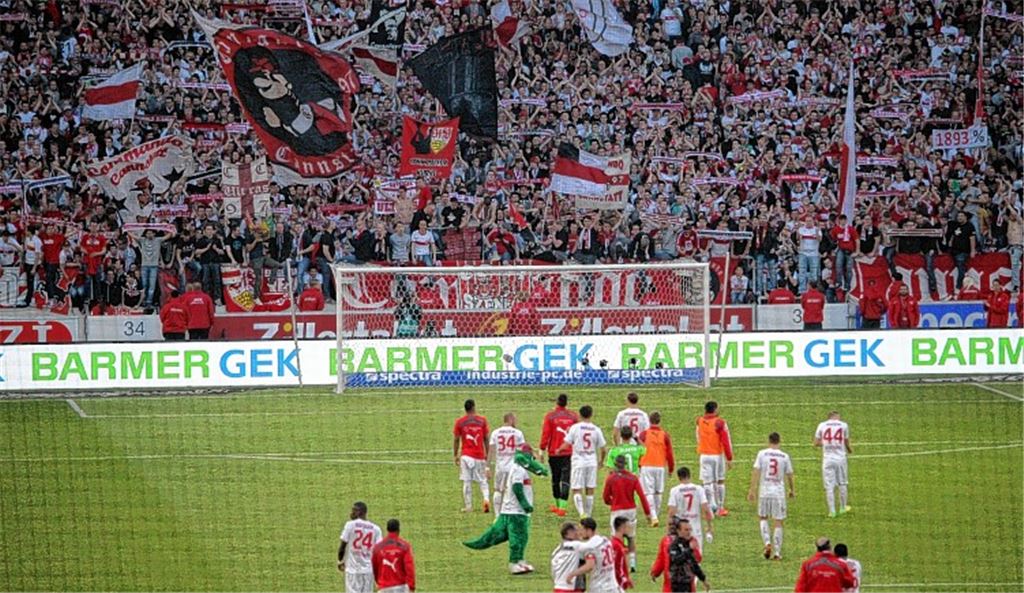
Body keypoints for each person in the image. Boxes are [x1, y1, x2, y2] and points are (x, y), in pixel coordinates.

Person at [463, 445, 549, 574]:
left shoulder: (519, 468)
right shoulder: (518, 470)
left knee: (520, 537)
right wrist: (525, 504)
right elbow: (517, 488)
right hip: (515, 511)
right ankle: (514, 563)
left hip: (513, 510)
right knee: (517, 537)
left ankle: (520, 560)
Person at [747, 432, 795, 561]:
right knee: (778, 521)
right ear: (779, 441)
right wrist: (791, 489)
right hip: (778, 493)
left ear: (769, 441)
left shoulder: (762, 454)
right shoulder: (784, 456)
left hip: (764, 491)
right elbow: (790, 474)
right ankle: (777, 553)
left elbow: (756, 471)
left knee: (763, 517)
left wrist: (752, 490)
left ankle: (767, 543)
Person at [602, 454, 652, 573]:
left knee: (616, 537)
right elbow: (641, 496)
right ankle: (633, 563)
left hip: (617, 510)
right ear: (625, 465)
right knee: (630, 537)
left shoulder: (611, 478)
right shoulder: (633, 478)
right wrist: (647, 513)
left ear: (615, 464)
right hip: (630, 509)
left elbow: (605, 497)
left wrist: (612, 502)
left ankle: (616, 562)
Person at [557, 405, 608, 519]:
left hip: (578, 461)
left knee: (576, 488)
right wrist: (601, 461)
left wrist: (559, 449)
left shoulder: (575, 428)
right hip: (591, 461)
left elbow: (566, 444)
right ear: (591, 414)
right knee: (590, 489)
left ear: (579, 415)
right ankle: (588, 515)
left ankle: (582, 514)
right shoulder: (596, 429)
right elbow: (604, 449)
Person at [540, 393, 579, 517]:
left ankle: (558, 506)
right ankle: (562, 507)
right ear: (566, 403)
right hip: (569, 452)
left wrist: (542, 449)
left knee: (555, 479)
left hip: (554, 452)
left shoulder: (550, 416)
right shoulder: (573, 416)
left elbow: (546, 434)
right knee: (566, 479)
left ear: (557, 402)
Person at [695, 401, 733, 516]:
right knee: (720, 480)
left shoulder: (699, 421)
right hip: (717, 455)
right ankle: (720, 507)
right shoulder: (720, 423)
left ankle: (710, 508)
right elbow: (726, 441)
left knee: (707, 482)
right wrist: (729, 457)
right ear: (715, 410)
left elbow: (698, 436)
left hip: (704, 455)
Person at [638, 411, 675, 528]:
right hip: (660, 466)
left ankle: (654, 516)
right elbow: (669, 453)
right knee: (658, 492)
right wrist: (671, 468)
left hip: (647, 465)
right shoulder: (665, 435)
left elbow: (639, 450)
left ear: (649, 421)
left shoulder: (643, 434)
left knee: (648, 492)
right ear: (659, 421)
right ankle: (656, 515)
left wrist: (638, 464)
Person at [453, 399, 491, 513]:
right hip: (479, 455)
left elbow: (456, 439)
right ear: (474, 407)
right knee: (483, 481)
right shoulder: (482, 421)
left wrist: (455, 454)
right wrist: (487, 454)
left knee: (467, 481)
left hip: (466, 456)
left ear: (465, 409)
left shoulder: (460, 422)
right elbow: (486, 438)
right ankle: (486, 500)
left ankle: (468, 507)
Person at [666, 467, 714, 555]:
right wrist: (709, 527)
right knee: (697, 557)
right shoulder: (698, 489)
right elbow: (706, 509)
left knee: (681, 558)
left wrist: (669, 530)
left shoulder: (675, 490)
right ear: (689, 476)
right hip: (695, 528)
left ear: (679, 477)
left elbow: (671, 512)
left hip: (681, 529)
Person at [337, 501, 382, 593]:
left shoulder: (350, 525)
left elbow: (342, 547)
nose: (351, 513)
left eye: (354, 510)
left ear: (361, 512)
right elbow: (379, 552)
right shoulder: (376, 529)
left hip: (353, 571)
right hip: (368, 571)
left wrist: (340, 561)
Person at [814, 411, 852, 518]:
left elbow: (816, 443)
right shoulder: (844, 425)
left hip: (828, 459)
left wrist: (826, 443)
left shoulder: (822, 425)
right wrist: (849, 450)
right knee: (842, 482)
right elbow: (846, 441)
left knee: (829, 485)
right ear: (836, 417)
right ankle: (843, 508)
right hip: (841, 459)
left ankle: (832, 511)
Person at [564, 518, 618, 593]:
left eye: (582, 529)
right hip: (613, 585)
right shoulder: (606, 540)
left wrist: (572, 574)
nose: (580, 532)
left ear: (588, 530)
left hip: (600, 587)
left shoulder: (590, 546)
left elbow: (589, 566)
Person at [488, 412, 526, 513]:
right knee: (513, 491)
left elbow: (491, 451)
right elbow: (523, 450)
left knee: (497, 490)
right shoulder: (518, 433)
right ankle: (512, 512)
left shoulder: (495, 433)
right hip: (513, 467)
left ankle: (497, 515)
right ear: (511, 420)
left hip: (500, 466)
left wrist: (487, 467)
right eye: (515, 419)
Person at [664, 519, 710, 593]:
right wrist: (689, 550)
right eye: (686, 530)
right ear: (678, 531)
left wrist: (703, 579)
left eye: (690, 530)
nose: (689, 532)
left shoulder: (687, 544)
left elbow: (694, 564)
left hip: (687, 585)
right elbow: (676, 560)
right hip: (677, 585)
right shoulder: (674, 546)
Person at [371, 519, 416, 593]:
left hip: (384, 587)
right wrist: (411, 586)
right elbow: (409, 568)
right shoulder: (405, 546)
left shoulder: (378, 547)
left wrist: (379, 582)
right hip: (401, 587)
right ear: (398, 530)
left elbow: (375, 567)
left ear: (387, 529)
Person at [550, 522, 586, 593]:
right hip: (572, 588)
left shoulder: (557, 549)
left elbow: (553, 570)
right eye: (577, 530)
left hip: (558, 587)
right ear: (569, 533)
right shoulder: (577, 546)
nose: (580, 533)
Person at [610, 516, 634, 591]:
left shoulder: (621, 543)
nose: (630, 530)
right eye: (628, 527)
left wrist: (628, 577)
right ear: (622, 528)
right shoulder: (616, 546)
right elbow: (616, 566)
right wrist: (624, 579)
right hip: (617, 584)